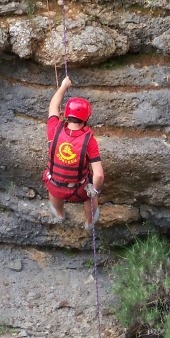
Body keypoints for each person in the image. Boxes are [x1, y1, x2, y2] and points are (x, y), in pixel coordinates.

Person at [45, 76, 104, 230]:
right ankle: (89, 222)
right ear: (87, 117)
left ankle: (59, 213)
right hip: (79, 188)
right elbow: (98, 175)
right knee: (91, 194)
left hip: (56, 185)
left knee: (52, 186)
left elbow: (53, 106)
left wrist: (64, 86)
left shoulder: (54, 129)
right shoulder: (89, 140)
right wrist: (93, 190)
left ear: (66, 114)